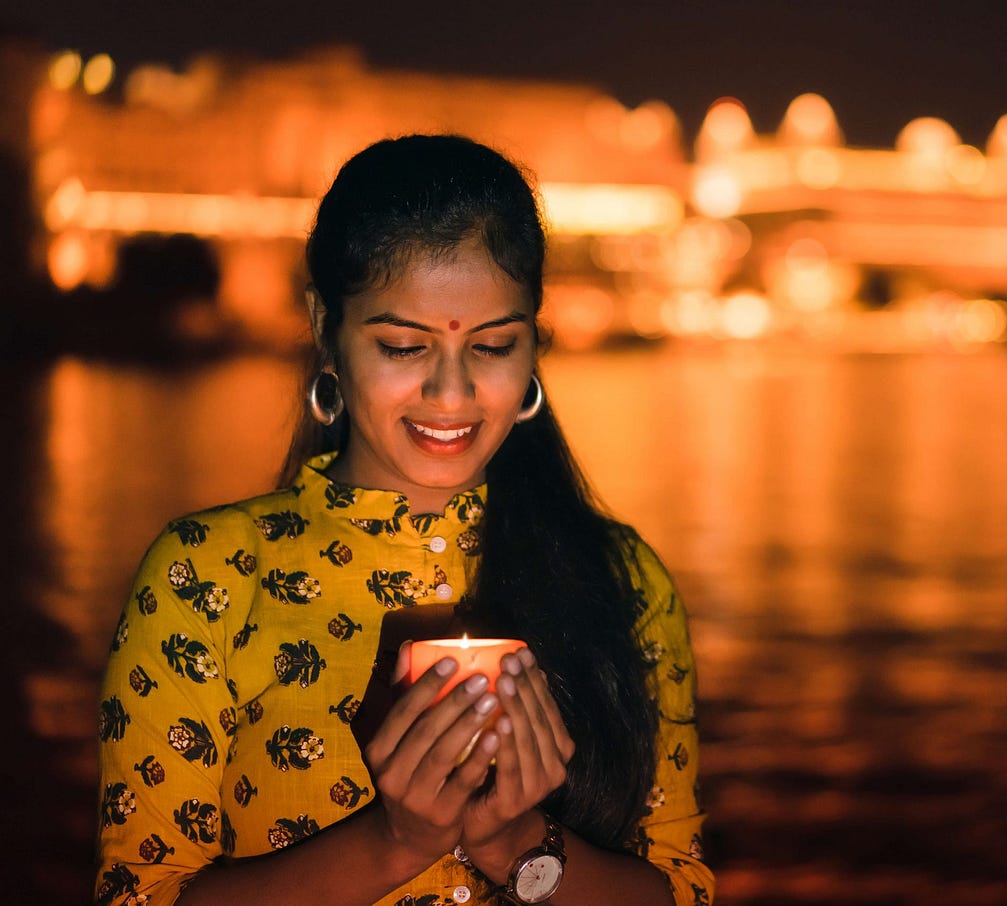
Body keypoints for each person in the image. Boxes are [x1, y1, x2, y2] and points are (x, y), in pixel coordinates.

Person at [94, 134, 713, 906]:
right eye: (401, 345)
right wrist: (394, 844)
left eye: (492, 346)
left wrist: (517, 845)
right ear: (327, 327)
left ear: (533, 346)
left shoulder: (622, 581)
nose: (450, 394)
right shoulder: (207, 576)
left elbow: (681, 890)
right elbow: (140, 895)